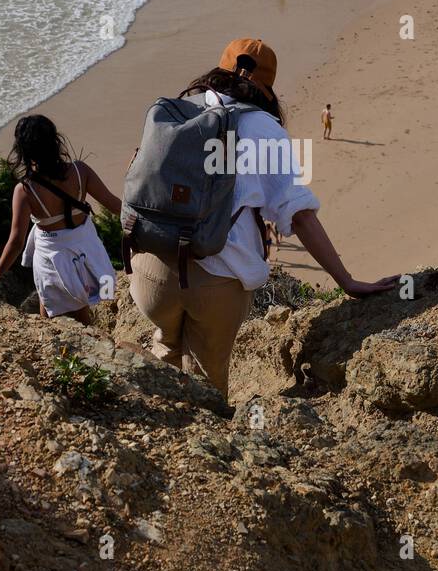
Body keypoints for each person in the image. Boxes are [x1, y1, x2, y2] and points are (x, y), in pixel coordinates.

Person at [127, 39, 397, 398]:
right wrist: (345, 280)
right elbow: (298, 215)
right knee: (207, 386)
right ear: (267, 86)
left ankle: (157, 426)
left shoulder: (178, 108)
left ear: (220, 69)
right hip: (216, 278)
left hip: (149, 270)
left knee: (166, 352)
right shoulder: (265, 129)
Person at [0, 116, 121, 324]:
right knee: (81, 314)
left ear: (23, 150)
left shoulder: (25, 190)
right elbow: (115, 205)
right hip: (88, 253)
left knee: (50, 316)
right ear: (55, 141)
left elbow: (16, 241)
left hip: (53, 260)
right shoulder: (80, 171)